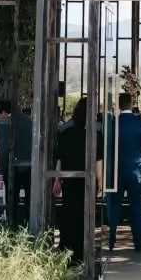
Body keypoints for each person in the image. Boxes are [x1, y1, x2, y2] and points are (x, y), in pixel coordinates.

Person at [106, 92, 141, 252]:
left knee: (114, 205)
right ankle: (139, 241)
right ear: (131, 105)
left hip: (116, 170)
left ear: (119, 105)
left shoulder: (113, 124)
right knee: (136, 205)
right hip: (134, 169)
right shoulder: (140, 124)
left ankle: (111, 240)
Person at [53, 97, 91, 267]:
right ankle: (81, 252)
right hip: (86, 182)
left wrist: (57, 179)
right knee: (84, 216)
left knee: (69, 213)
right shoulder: (93, 135)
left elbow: (59, 158)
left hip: (69, 180)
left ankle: (66, 249)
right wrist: (99, 181)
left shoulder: (66, 132)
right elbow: (98, 162)